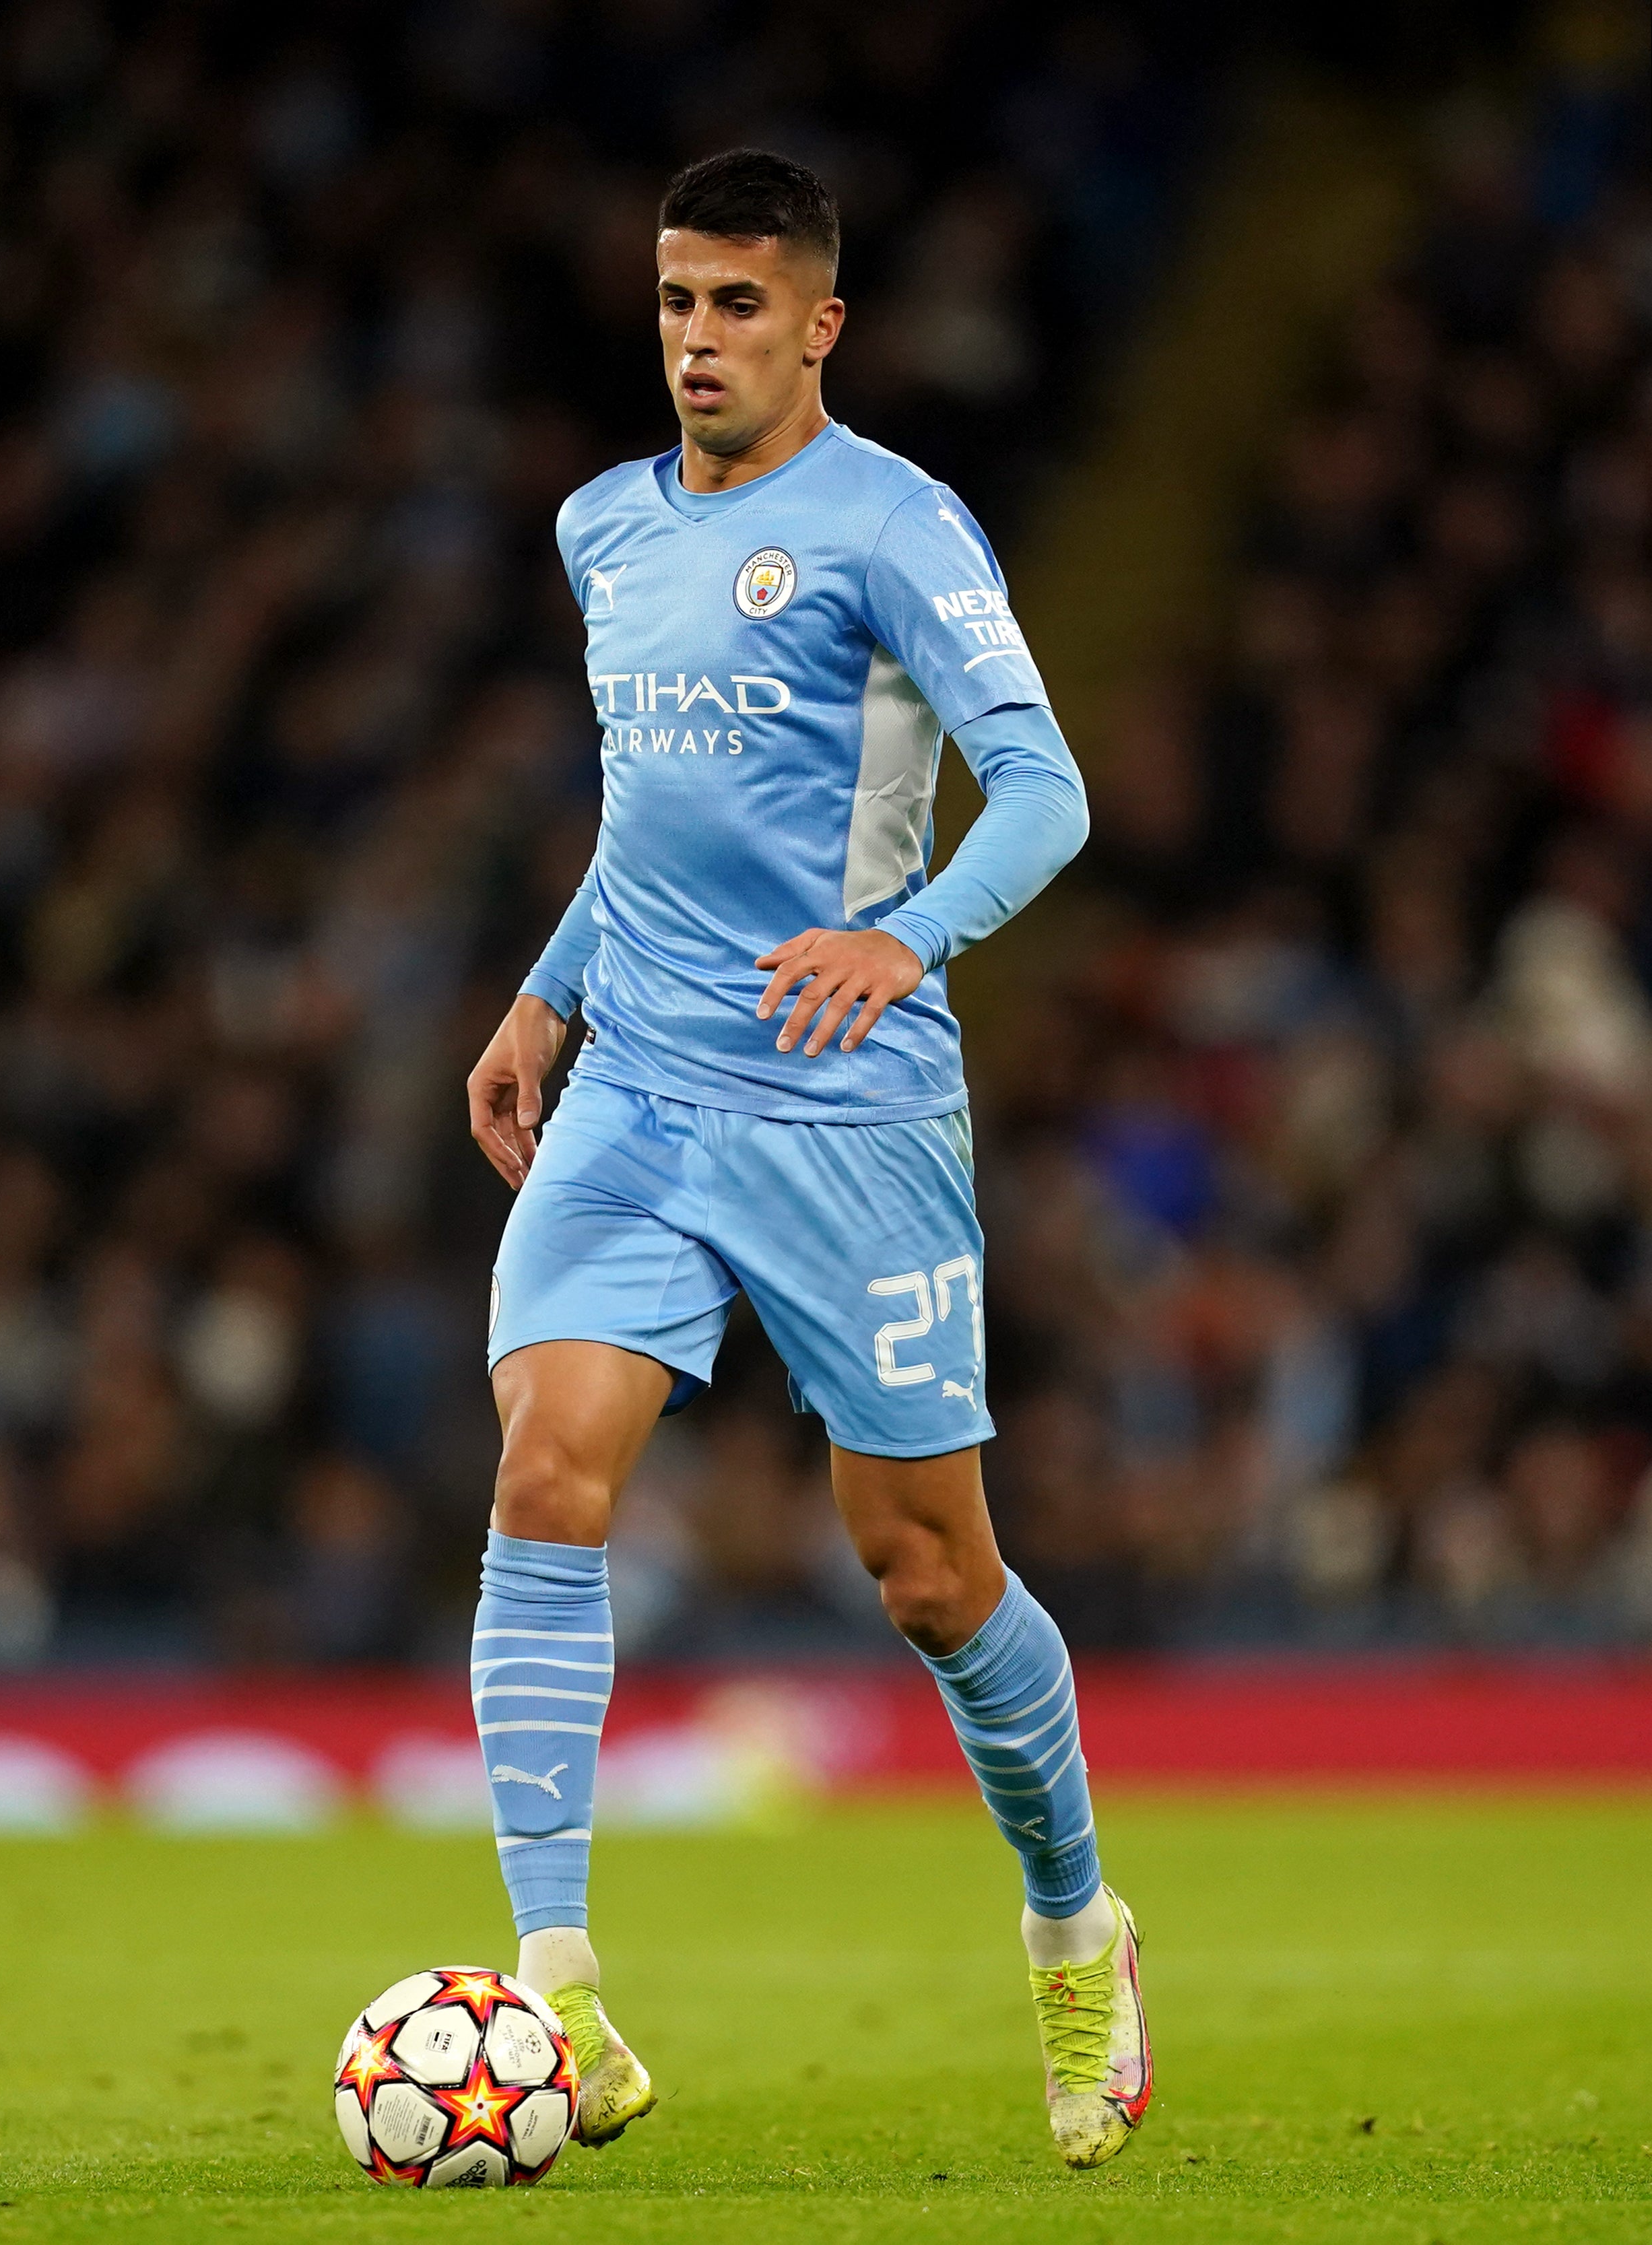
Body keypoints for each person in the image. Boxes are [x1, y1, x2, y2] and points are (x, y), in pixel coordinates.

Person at [465, 147, 1150, 2170]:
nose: (697, 338)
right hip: (637, 1095)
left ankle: (1072, 1915)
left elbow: (1045, 793)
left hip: (845, 1110)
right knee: (541, 1468)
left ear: (819, 323)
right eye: (677, 301)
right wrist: (544, 985)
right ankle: (556, 1988)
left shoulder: (893, 525)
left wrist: (905, 934)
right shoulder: (601, 527)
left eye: (739, 306)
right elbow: (649, 816)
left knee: (924, 1574)